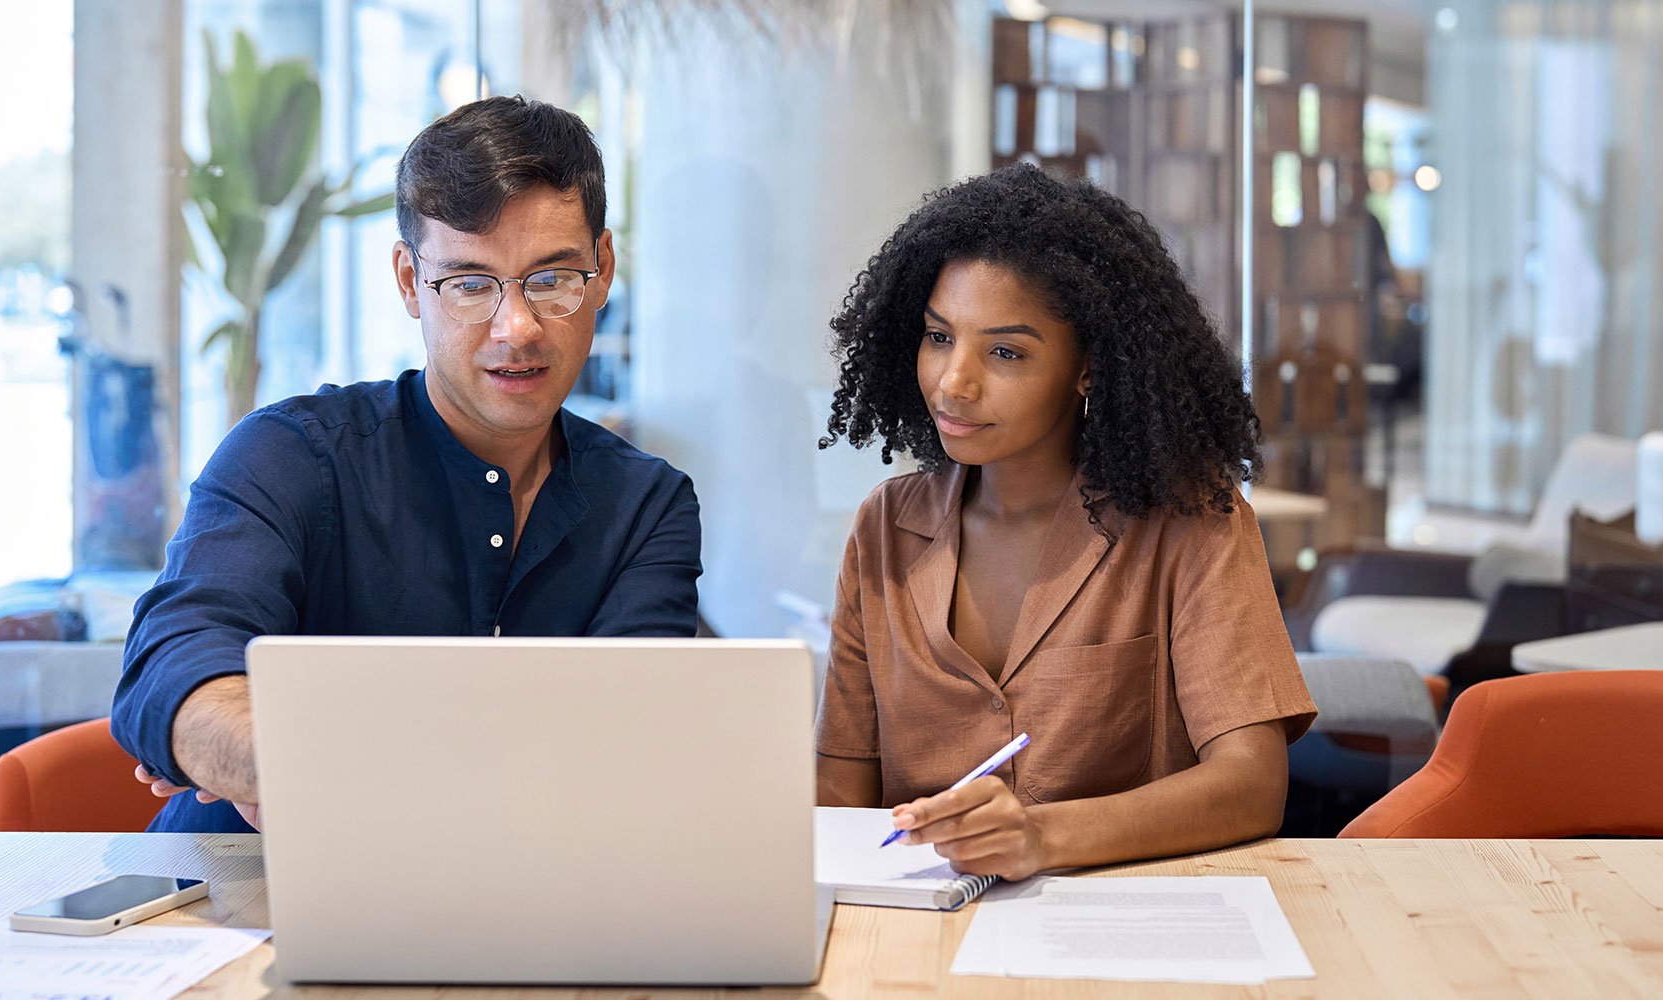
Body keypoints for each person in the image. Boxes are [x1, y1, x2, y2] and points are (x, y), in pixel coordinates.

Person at [112, 96, 702, 833]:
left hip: (524, 910)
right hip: (239, 903)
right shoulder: (291, 454)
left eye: (551, 279)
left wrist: (307, 762)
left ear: (603, 269)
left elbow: (630, 751)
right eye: (469, 284)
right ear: (407, 281)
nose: (515, 329)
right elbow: (174, 670)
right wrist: (216, 733)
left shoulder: (647, 506)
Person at [814, 163, 1316, 879]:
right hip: (920, 927)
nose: (955, 381)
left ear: (1088, 368)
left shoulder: (1188, 518)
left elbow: (1252, 785)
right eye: (937, 337)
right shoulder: (886, 530)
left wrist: (1042, 837)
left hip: (1128, 927)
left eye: (1006, 352)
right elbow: (840, 794)